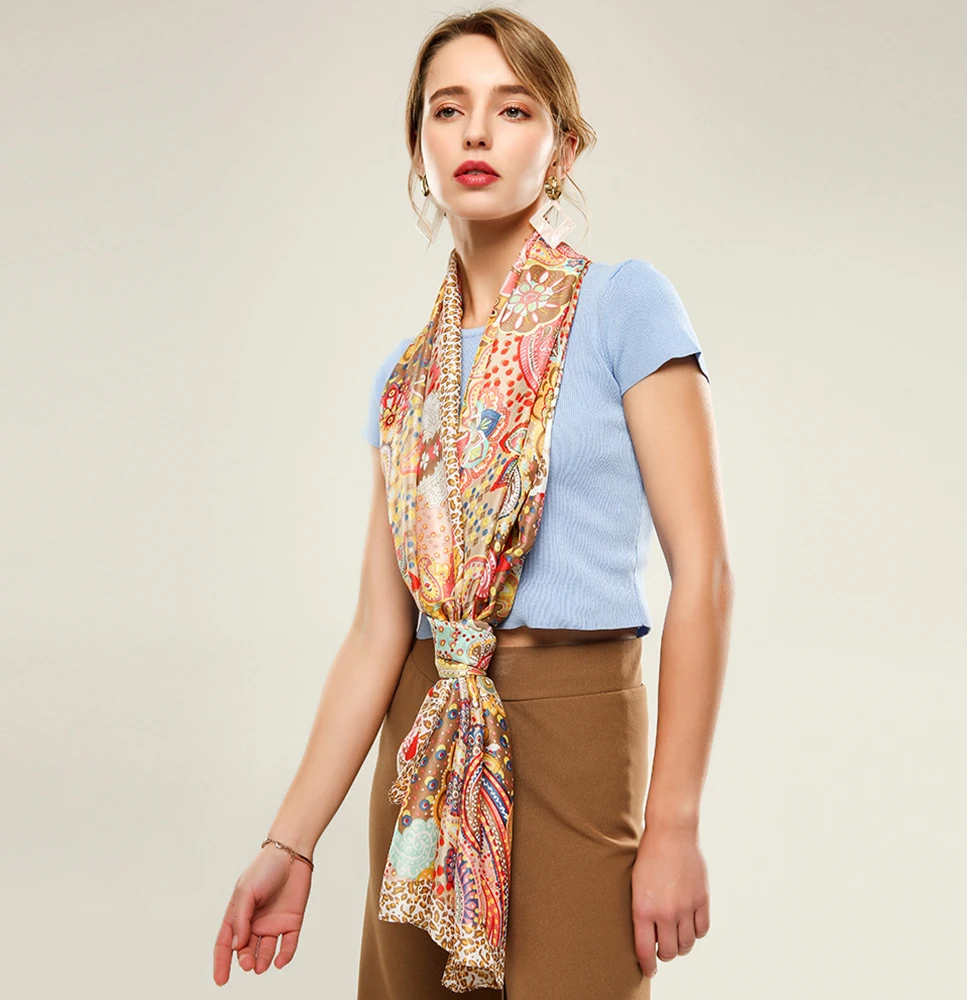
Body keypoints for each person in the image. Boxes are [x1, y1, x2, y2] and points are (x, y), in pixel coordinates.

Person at [212, 8, 733, 999]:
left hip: (577, 729)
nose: (477, 132)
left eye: (513, 108)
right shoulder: (404, 379)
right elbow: (378, 630)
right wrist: (291, 840)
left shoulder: (624, 306)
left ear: (562, 147)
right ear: (420, 146)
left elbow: (702, 572)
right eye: (448, 110)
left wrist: (674, 821)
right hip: (424, 739)